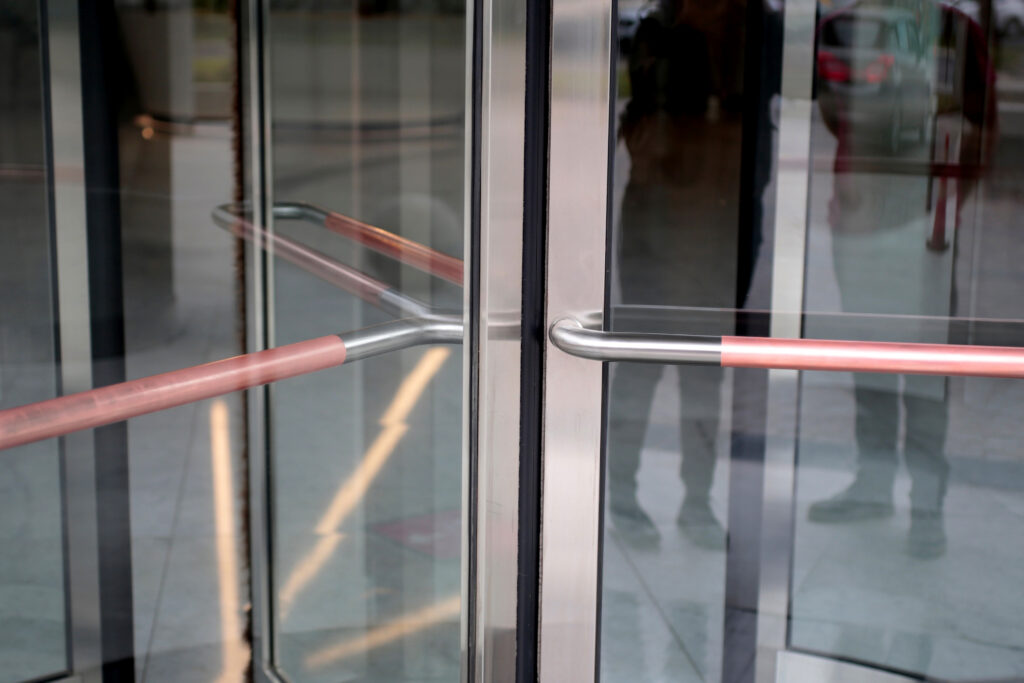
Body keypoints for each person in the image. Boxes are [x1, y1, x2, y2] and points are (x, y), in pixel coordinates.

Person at [606, 0, 745, 550]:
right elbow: (647, 130)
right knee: (641, 364)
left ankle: (697, 501)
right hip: (659, 224)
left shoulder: (749, 30)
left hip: (715, 227)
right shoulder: (660, 31)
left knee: (705, 371)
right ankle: (622, 495)